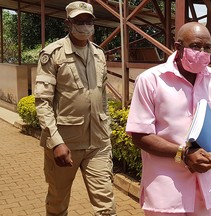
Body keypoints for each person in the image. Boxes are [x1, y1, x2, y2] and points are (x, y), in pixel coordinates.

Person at [125, 22, 211, 216]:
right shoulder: (151, 80)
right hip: (165, 192)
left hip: (205, 189)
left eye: (207, 47)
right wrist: (183, 153)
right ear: (178, 47)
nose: (202, 52)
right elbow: (139, 135)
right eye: (195, 46)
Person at [34, 1, 116, 215]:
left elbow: (102, 96)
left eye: (89, 21)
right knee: (57, 203)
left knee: (106, 205)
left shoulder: (99, 54)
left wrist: (106, 130)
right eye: (79, 21)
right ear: (67, 23)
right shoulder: (52, 54)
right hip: (64, 143)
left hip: (98, 143)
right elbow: (43, 102)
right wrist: (55, 142)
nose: (85, 26)